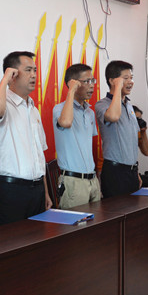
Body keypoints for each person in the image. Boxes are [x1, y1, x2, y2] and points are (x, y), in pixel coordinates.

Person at [0, 51, 52, 226]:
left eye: (35, 70)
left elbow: (39, 154)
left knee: (38, 241)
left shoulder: (34, 110)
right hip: (11, 191)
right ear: (13, 74)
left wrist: (45, 192)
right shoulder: (2, 103)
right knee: (12, 241)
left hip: (37, 190)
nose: (34, 75)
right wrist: (5, 79)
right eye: (28, 70)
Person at [95, 60, 148, 198]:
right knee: (117, 210)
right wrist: (118, 87)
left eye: (131, 78)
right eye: (125, 78)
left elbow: (131, 141)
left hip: (131, 171)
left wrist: (135, 171)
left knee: (134, 210)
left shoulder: (129, 106)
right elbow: (113, 116)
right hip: (115, 171)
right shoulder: (102, 104)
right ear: (112, 81)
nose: (130, 82)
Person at [53, 63, 100, 208]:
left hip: (92, 180)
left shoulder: (90, 112)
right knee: (76, 222)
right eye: (87, 81)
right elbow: (66, 122)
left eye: (93, 81)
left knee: (99, 221)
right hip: (73, 182)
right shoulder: (59, 109)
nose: (91, 85)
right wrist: (71, 90)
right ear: (73, 83)